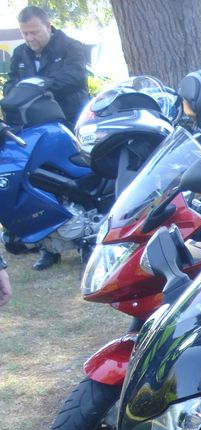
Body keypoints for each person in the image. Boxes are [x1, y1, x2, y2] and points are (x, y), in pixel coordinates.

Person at [4, 5, 90, 271]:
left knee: (77, 181)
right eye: (25, 33)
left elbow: (75, 77)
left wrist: (40, 85)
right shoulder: (20, 54)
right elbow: (11, 85)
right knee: (41, 185)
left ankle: (86, 241)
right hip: (36, 129)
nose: (30, 38)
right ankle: (49, 248)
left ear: (48, 26)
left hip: (70, 122)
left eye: (34, 32)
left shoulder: (71, 46)